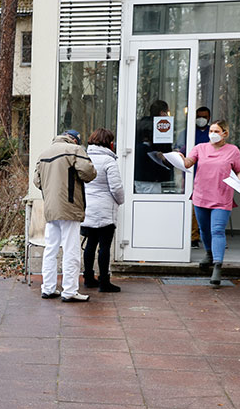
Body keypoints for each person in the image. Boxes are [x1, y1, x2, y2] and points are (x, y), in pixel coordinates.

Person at [182, 120, 240, 287]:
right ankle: (209, 254)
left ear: (225, 133)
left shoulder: (232, 151)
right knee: (204, 229)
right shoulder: (200, 148)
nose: (212, 133)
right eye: (211, 130)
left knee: (217, 230)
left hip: (222, 197)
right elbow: (189, 162)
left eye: (216, 131)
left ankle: (218, 265)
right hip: (201, 195)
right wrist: (181, 159)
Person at [34, 129, 97, 302]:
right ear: (75, 140)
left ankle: (48, 288)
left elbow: (37, 181)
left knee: (50, 249)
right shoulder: (75, 150)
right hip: (69, 206)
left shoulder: (43, 154)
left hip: (50, 208)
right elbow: (89, 173)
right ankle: (69, 291)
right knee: (71, 249)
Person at [81, 128, 124, 293]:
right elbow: (116, 188)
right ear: (109, 143)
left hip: (88, 208)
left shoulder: (85, 158)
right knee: (104, 247)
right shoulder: (109, 161)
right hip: (105, 210)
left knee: (90, 244)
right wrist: (120, 201)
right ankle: (104, 281)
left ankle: (88, 278)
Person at [177, 107, 212, 248]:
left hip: (211, 177)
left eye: (204, 116)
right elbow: (181, 151)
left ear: (209, 118)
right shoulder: (188, 133)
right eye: (199, 116)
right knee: (194, 207)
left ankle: (211, 236)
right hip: (192, 175)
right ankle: (194, 237)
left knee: (212, 206)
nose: (202, 119)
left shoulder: (213, 133)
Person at [134, 100, 174, 194]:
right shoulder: (157, 126)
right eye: (167, 112)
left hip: (138, 173)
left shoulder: (140, 124)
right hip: (153, 174)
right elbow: (163, 149)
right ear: (162, 113)